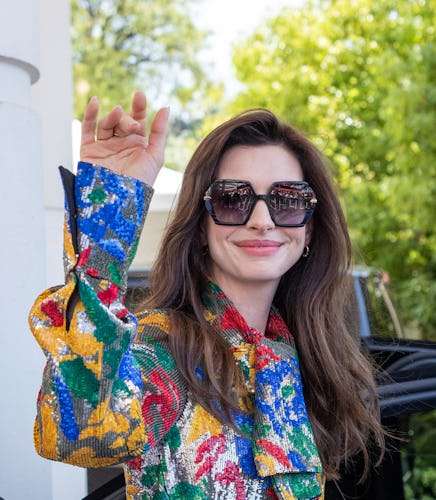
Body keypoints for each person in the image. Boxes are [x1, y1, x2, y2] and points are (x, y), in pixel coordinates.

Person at [29, 91, 385, 499]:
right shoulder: (165, 351)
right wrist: (109, 209)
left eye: (288, 201)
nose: (262, 220)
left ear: (310, 229)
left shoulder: (300, 358)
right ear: (200, 226)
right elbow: (75, 434)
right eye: (234, 199)